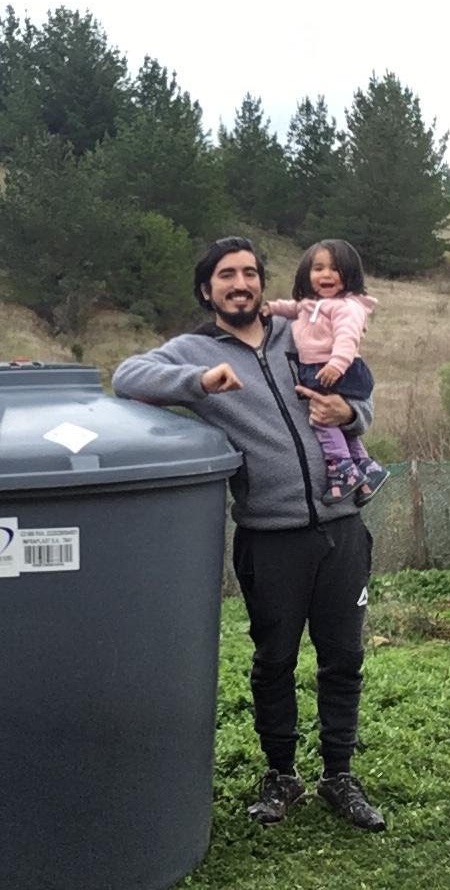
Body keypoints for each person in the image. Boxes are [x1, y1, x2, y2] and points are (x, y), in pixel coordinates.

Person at [112, 237, 385, 832]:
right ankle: (282, 774)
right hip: (270, 536)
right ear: (207, 289)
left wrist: (351, 415)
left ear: (264, 283)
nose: (241, 283)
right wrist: (199, 383)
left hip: (342, 528)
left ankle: (339, 774)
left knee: (344, 657)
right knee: (274, 661)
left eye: (250, 273)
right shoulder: (193, 348)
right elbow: (127, 374)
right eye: (226, 275)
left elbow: (359, 391)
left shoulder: (301, 328)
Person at [263, 239, 389, 505]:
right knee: (338, 424)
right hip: (320, 369)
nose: (326, 274)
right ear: (307, 274)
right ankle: (367, 468)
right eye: (318, 268)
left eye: (335, 268)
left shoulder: (348, 307)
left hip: (340, 369)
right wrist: (271, 308)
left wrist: (336, 364)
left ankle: (343, 469)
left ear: (349, 274)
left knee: (322, 418)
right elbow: (291, 307)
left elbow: (347, 337)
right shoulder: (310, 305)